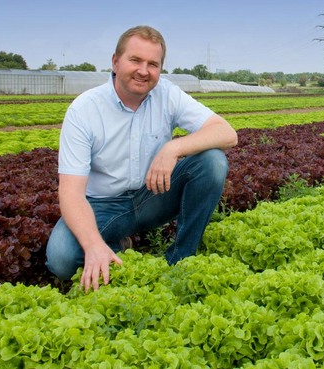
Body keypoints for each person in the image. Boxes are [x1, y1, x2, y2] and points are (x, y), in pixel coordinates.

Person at [46, 25, 238, 292]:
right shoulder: (84, 110)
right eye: (135, 60)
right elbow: (71, 193)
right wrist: (92, 245)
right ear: (115, 62)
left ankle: (182, 256)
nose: (143, 71)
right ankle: (116, 244)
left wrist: (173, 148)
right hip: (104, 206)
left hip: (153, 196)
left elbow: (226, 133)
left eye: (153, 64)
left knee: (213, 162)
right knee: (62, 258)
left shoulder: (167, 94)